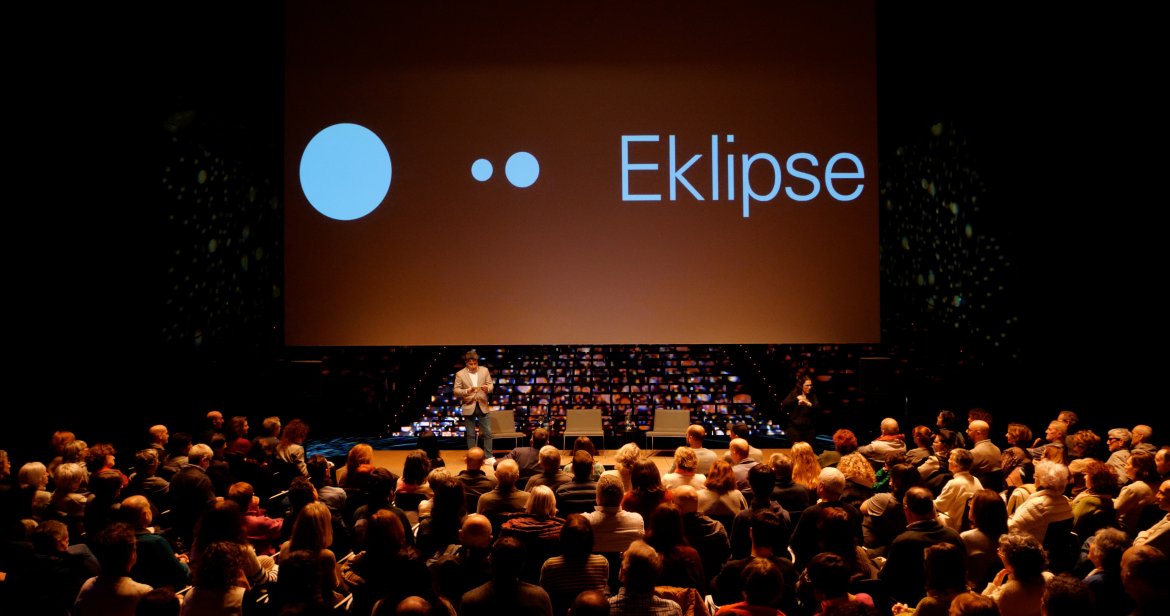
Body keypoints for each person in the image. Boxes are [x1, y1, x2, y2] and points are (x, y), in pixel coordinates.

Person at [455, 350, 495, 462]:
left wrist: (487, 388)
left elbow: (491, 385)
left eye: (475, 363)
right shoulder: (460, 374)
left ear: (477, 362)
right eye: (470, 364)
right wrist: (467, 391)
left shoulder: (484, 370)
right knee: (471, 434)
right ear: (466, 363)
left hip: (482, 404)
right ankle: (472, 457)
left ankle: (488, 456)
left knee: (487, 432)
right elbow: (456, 391)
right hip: (469, 405)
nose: (473, 366)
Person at [781, 374, 818, 444]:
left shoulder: (812, 395)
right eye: (807, 385)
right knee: (797, 448)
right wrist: (796, 399)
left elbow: (817, 407)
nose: (809, 387)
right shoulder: (794, 393)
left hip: (808, 428)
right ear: (801, 386)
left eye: (810, 385)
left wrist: (808, 404)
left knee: (808, 448)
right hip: (795, 428)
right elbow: (784, 404)